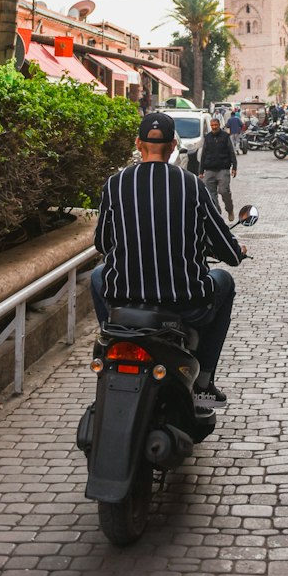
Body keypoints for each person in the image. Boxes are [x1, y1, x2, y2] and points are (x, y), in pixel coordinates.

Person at [89, 111, 245, 407]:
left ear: (138, 143)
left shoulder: (115, 184)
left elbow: (103, 243)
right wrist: (236, 253)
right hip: (183, 303)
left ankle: (111, 335)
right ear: (174, 145)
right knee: (224, 280)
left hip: (123, 301)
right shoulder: (191, 185)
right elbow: (224, 245)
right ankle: (203, 380)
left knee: (98, 276)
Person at [199, 115, 239, 222]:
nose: (214, 127)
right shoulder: (207, 138)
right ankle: (217, 213)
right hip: (209, 170)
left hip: (223, 169)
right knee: (210, 195)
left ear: (219, 125)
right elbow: (203, 155)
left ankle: (229, 210)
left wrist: (234, 167)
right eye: (212, 125)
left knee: (224, 191)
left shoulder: (225, 136)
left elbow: (231, 152)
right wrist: (201, 171)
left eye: (216, 125)